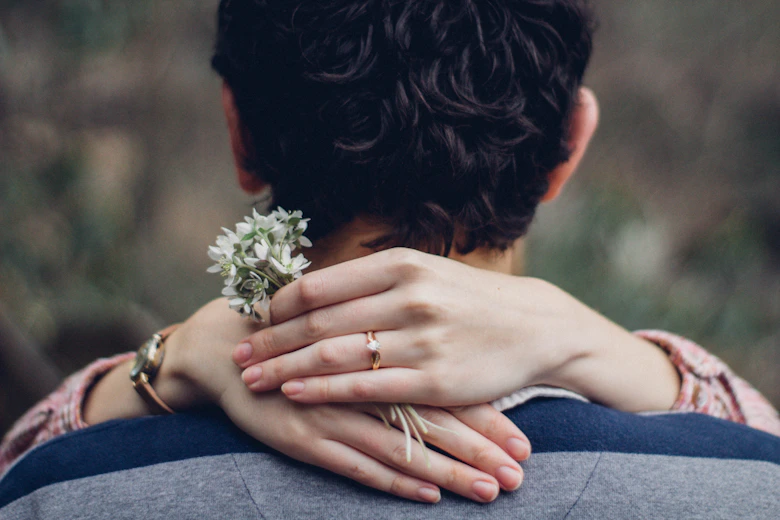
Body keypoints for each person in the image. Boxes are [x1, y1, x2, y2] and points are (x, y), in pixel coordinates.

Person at [1, 0, 779, 513]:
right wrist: (592, 342)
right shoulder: (744, 489)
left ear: (239, 135)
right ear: (569, 146)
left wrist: (168, 358)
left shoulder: (70, 491)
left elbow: (21, 468)